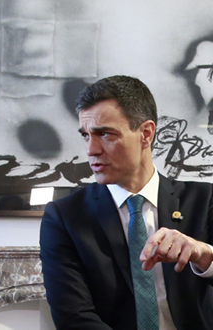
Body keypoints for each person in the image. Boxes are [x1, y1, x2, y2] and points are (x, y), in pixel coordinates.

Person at [40, 75, 213, 330]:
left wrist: (204, 254)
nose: (91, 149)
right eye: (86, 135)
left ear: (146, 134)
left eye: (105, 134)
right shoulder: (66, 217)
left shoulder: (204, 200)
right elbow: (74, 318)